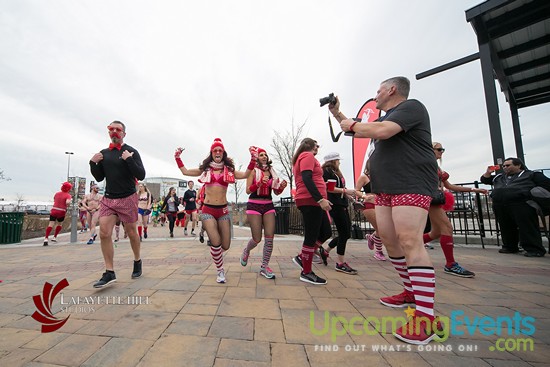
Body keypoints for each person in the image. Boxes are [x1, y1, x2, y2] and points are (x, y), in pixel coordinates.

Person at [332, 76, 440, 345]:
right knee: (390, 242)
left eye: (379, 90)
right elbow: (359, 130)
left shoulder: (411, 107)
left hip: (410, 184)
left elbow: (381, 131)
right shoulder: (386, 117)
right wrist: (337, 113)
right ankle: (410, 292)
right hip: (385, 189)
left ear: (392, 90)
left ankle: (426, 318)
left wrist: (355, 124)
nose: (376, 95)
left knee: (409, 241)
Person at [174, 138, 255, 283]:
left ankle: (215, 255)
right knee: (216, 242)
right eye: (215, 150)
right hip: (208, 210)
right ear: (211, 153)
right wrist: (178, 157)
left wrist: (252, 159)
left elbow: (245, 175)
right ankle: (220, 270)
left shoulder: (228, 170)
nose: (217, 152)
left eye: (220, 150)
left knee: (226, 245)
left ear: (223, 153)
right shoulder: (205, 169)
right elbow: (185, 172)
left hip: (223, 211)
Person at [89, 120, 146, 288]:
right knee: (104, 233)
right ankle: (109, 272)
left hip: (127, 198)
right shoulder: (104, 153)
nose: (114, 132)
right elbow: (99, 177)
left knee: (131, 232)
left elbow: (141, 174)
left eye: (118, 129)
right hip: (109, 199)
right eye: (111, 129)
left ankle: (137, 260)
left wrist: (129, 160)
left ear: (124, 134)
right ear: (108, 132)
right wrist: (92, 163)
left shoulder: (132, 151)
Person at [423, 142, 487, 277]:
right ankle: (450, 264)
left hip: (436, 198)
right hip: (431, 198)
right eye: (439, 149)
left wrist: (474, 189)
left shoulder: (435, 166)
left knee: (436, 232)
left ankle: (405, 245)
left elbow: (450, 186)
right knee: (447, 228)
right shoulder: (425, 163)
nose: (441, 152)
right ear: (431, 149)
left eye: (443, 149)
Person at [481, 157, 550, 257]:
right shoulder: (500, 177)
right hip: (501, 205)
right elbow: (485, 180)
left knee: (527, 227)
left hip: (522, 204)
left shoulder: (531, 174)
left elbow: (546, 184)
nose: (505, 167)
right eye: (504, 166)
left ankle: (534, 249)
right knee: (506, 226)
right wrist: (488, 172)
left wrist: (532, 193)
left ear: (518, 165)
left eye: (508, 165)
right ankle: (510, 246)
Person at [240, 147, 287, 279]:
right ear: (257, 157)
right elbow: (248, 190)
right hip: (254, 204)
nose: (264, 156)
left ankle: (264, 266)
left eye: (265, 154)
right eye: (261, 154)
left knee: (269, 237)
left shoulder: (272, 172)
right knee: (257, 238)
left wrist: (281, 187)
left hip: (268, 205)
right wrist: (259, 183)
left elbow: (276, 192)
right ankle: (246, 250)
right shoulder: (252, 171)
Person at [291, 138, 332, 285]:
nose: (318, 148)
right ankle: (306, 272)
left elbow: (311, 177)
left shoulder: (304, 157)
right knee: (311, 236)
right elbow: (307, 178)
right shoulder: (307, 156)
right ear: (309, 145)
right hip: (310, 200)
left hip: (313, 200)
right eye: (317, 145)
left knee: (326, 231)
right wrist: (320, 199)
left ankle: (303, 257)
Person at [318, 152, 358, 274]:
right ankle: (340, 262)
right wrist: (346, 191)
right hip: (335, 205)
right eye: (338, 160)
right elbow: (330, 188)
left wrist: (348, 196)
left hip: (342, 203)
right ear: (333, 161)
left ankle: (326, 250)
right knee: (344, 232)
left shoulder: (336, 173)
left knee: (345, 232)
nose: (339, 162)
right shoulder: (327, 171)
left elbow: (338, 188)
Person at [354, 164, 387, 261]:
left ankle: (372, 237)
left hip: (381, 205)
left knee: (384, 227)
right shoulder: (364, 177)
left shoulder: (381, 177)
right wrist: (364, 196)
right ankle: (379, 252)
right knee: (380, 229)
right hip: (369, 205)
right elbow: (357, 191)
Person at [43, 182, 72, 246]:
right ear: (69, 189)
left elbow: (54, 200)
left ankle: (46, 238)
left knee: (50, 224)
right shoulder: (68, 195)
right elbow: (67, 202)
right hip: (61, 211)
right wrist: (68, 204)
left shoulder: (57, 194)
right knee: (60, 224)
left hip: (54, 210)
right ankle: (54, 237)